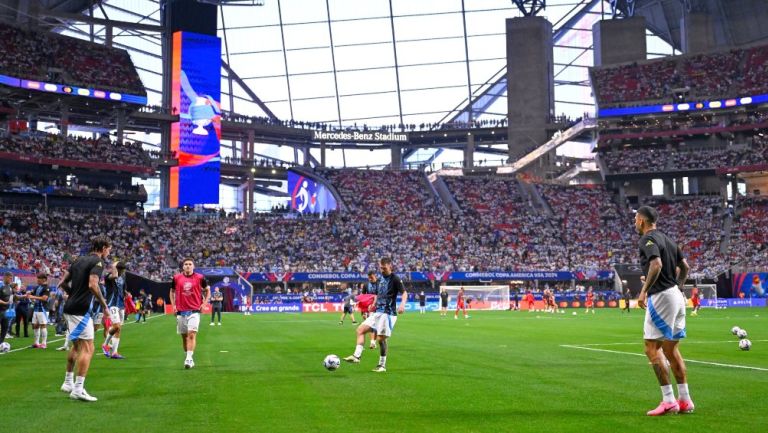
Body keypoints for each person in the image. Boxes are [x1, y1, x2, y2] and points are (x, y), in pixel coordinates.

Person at [634, 206, 694, 416]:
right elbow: (685, 268)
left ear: (642, 220)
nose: (635, 222)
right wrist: (677, 286)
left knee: (651, 348)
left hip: (661, 297)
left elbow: (656, 264)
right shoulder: (669, 239)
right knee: (670, 349)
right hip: (676, 296)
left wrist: (644, 291)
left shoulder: (646, 239)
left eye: (635, 219)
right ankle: (685, 400)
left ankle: (668, 401)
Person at [59, 235, 112, 402]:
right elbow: (92, 284)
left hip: (69, 308)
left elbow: (62, 282)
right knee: (88, 348)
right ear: (103, 248)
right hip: (81, 310)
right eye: (109, 249)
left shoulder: (78, 260)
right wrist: (104, 305)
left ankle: (68, 382)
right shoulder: (98, 262)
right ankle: (78, 389)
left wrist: (72, 294)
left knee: (76, 346)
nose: (109, 252)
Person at [343, 257, 407, 372]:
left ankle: (382, 365)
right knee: (360, 330)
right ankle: (357, 356)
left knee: (381, 339)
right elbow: (378, 294)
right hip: (377, 312)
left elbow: (404, 292)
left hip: (388, 313)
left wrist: (402, 304)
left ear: (390, 266)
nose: (382, 270)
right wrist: (374, 304)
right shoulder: (381, 278)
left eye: (384, 268)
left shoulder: (395, 278)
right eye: (381, 268)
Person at [170, 258, 210, 369]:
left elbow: (207, 290)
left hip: (194, 311)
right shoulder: (176, 278)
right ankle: (189, 357)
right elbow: (172, 291)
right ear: (183, 267)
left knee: (191, 334)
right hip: (181, 311)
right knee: (184, 337)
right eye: (186, 264)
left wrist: (204, 304)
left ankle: (188, 359)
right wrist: (173, 305)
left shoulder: (200, 278)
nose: (188, 266)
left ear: (193, 266)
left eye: (190, 264)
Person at [102, 261, 127, 359]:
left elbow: (122, 288)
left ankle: (114, 353)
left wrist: (126, 295)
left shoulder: (123, 276)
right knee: (116, 326)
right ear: (117, 269)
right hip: (111, 304)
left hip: (120, 304)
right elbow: (115, 276)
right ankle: (105, 344)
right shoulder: (108, 276)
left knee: (119, 328)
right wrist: (114, 266)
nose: (122, 273)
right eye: (121, 271)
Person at [29, 273, 51, 349]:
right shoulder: (37, 287)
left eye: (39, 279)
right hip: (36, 309)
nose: (37, 280)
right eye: (37, 279)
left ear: (44, 279)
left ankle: (44, 343)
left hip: (43, 309)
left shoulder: (47, 288)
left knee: (43, 325)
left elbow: (44, 298)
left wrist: (33, 297)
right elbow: (31, 294)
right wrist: (28, 294)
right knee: (35, 325)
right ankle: (36, 343)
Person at [357, 272, 377, 349]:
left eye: (371, 277)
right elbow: (363, 297)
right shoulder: (366, 285)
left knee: (374, 326)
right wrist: (363, 310)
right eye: (369, 277)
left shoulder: (380, 284)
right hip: (368, 308)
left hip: (379, 307)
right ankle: (372, 342)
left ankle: (373, 342)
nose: (370, 279)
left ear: (374, 276)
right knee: (368, 325)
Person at [0, 272, 13, 348]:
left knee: (5, 328)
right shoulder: (0, 285)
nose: (11, 279)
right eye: (10, 278)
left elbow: (12, 297)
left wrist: (23, 296)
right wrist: (5, 302)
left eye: (11, 278)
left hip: (5, 311)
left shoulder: (10, 287)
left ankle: (1, 343)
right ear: (5, 277)